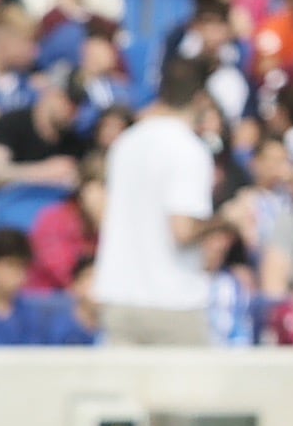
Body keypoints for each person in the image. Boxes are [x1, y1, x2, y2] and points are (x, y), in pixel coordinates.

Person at [93, 54, 225, 344]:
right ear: (201, 98)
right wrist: (228, 221)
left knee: (125, 390)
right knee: (193, 391)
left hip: (119, 297)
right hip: (172, 301)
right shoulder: (190, 149)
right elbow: (182, 230)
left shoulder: (126, 143)